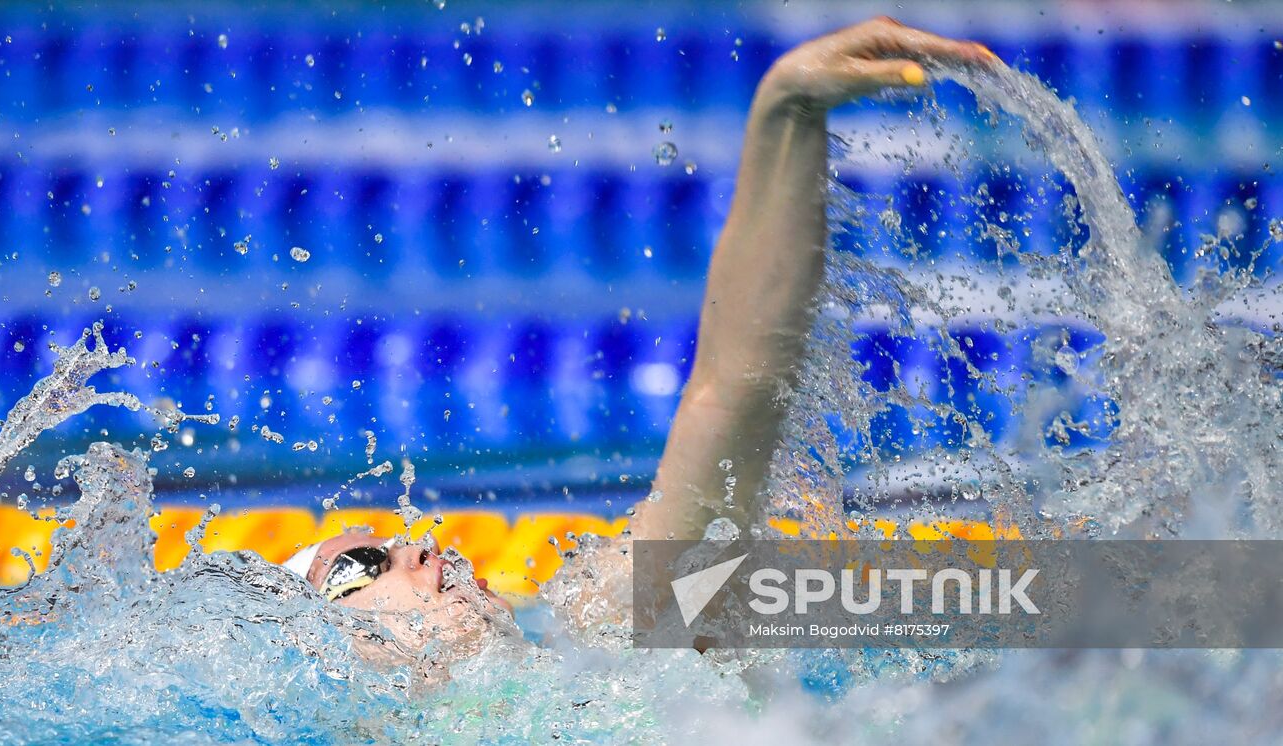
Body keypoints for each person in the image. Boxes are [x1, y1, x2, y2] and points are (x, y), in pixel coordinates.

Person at [278, 17, 996, 659]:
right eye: (361, 566)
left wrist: (787, 111)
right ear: (333, 660)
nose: (422, 545)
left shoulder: (612, 637)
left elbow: (730, 393)